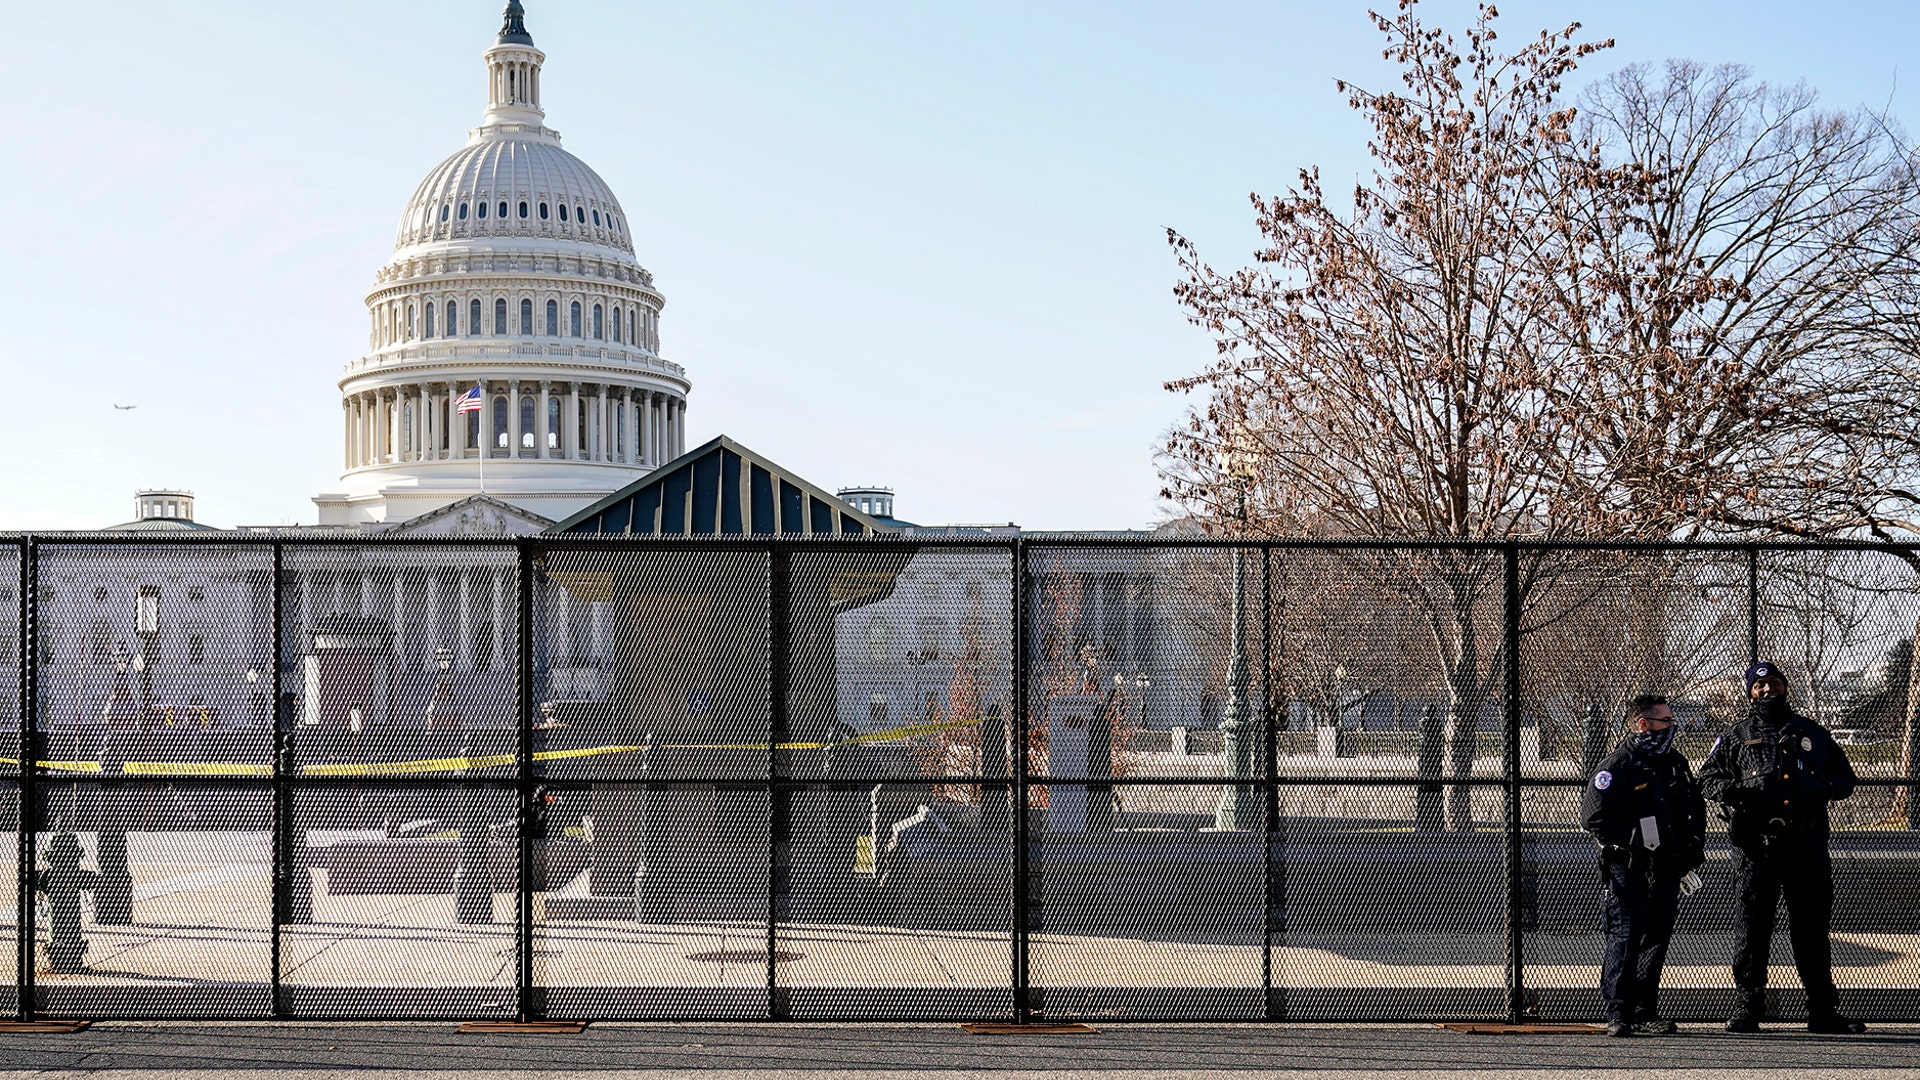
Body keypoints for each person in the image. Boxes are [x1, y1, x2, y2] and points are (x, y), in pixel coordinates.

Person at [1698, 662, 1865, 1034]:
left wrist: (1822, 788)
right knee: (1753, 929)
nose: (1767, 690)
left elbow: (1845, 778)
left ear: (1785, 687)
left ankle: (1822, 1010)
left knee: (1811, 930)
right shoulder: (1736, 736)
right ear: (1750, 693)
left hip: (1806, 848)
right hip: (1757, 850)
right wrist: (1728, 793)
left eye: (1773, 683)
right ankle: (1747, 1007)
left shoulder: (1813, 733)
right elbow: (1707, 777)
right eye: (1759, 686)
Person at [1582, 693, 1706, 1037]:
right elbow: (1595, 817)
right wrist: (1636, 837)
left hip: (1666, 868)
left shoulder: (1674, 763)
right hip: (1630, 867)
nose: (1673, 727)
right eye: (1666, 721)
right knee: (1625, 935)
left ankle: (1643, 1009)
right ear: (1643, 724)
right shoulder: (1617, 766)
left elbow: (1693, 809)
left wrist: (1692, 848)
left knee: (1656, 936)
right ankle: (1619, 1011)